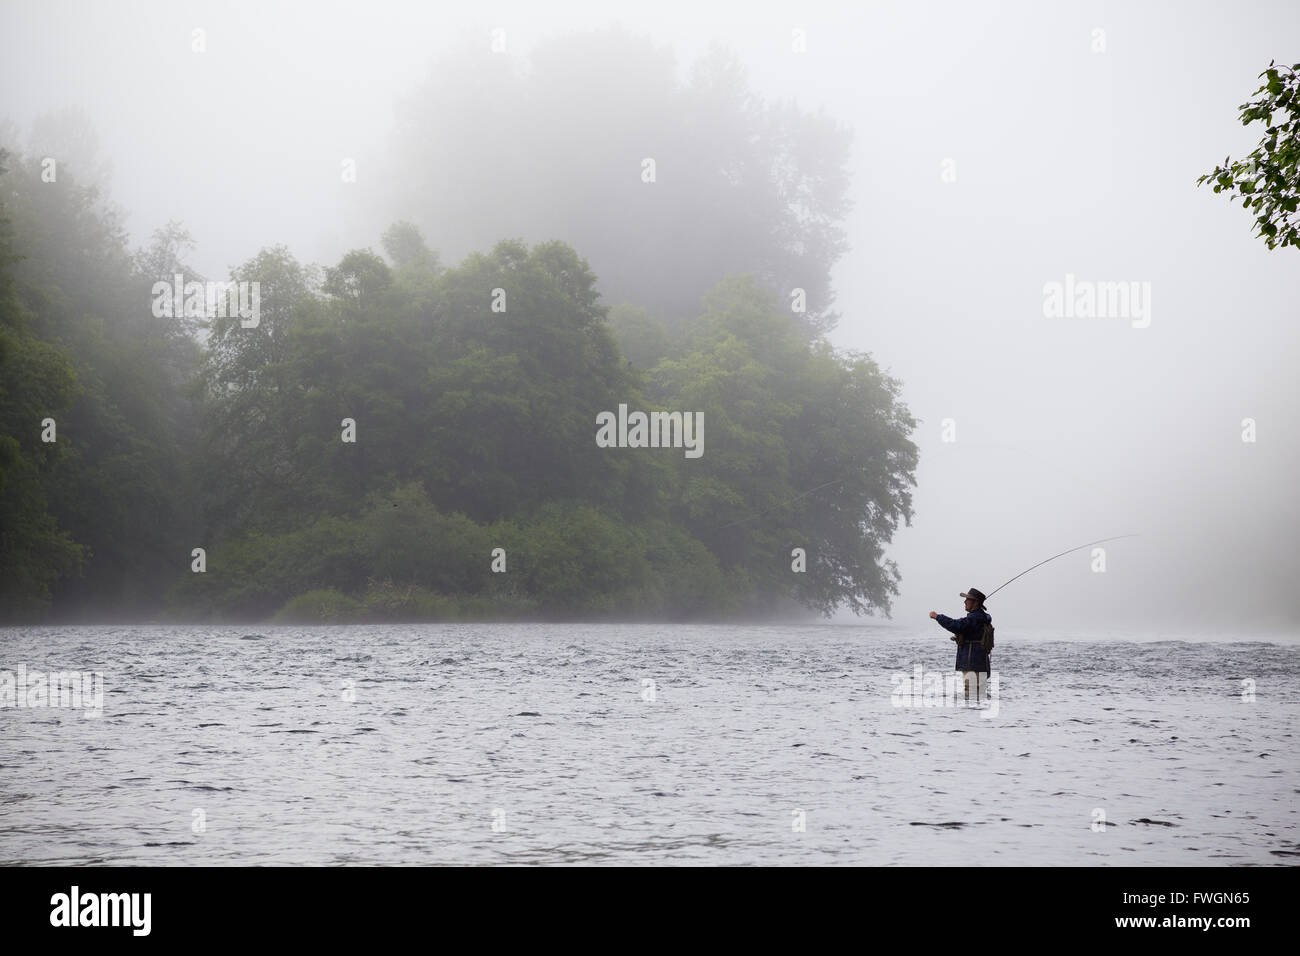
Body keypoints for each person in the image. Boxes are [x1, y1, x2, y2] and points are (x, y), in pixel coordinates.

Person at [929, 588, 992, 702]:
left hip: (973, 664)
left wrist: (938, 617)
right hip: (979, 664)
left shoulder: (975, 619)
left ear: (976, 603)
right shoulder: (980, 618)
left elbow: (957, 625)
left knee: (971, 698)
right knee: (978, 696)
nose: (965, 602)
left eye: (967, 599)